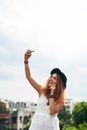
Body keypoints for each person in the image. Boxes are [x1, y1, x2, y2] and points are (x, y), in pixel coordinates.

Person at [24, 49, 67, 130]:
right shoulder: (41, 90)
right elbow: (28, 77)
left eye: (54, 78)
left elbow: (52, 112)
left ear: (59, 83)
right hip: (36, 125)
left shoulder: (61, 99)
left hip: (51, 127)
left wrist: (52, 93)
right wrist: (26, 60)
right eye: (51, 76)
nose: (51, 79)